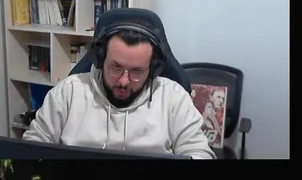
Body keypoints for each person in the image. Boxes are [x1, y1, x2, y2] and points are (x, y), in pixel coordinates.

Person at [22, 10, 215, 159]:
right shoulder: (69, 92)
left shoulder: (174, 98)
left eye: (137, 71)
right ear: (100, 60)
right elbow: (32, 147)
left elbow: (199, 152)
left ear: (153, 70)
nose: (123, 81)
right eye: (116, 67)